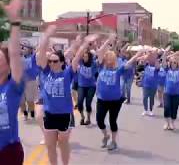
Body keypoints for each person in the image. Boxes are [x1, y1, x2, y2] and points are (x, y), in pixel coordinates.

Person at [35, 31, 93, 165]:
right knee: (50, 145)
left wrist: (84, 44)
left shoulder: (67, 73)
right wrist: (46, 37)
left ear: (62, 63)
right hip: (49, 114)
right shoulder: (46, 72)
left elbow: (77, 57)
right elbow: (42, 54)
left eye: (55, 61)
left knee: (63, 143)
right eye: (50, 61)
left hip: (64, 115)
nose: (51, 63)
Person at [93, 36, 143, 151]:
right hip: (102, 99)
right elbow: (100, 52)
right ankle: (106, 136)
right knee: (99, 121)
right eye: (107, 58)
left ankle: (114, 142)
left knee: (112, 121)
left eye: (111, 59)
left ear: (114, 60)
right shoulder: (101, 67)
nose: (109, 61)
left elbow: (129, 63)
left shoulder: (118, 69)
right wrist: (108, 41)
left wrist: (137, 55)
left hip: (115, 100)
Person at [0, 0, 26, 165]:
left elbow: (15, 54)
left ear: (8, 66)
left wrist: (14, 22)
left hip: (8, 152)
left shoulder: (12, 87)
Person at [163, 50, 179, 130]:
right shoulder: (167, 70)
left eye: (175, 62)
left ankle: (172, 123)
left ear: (177, 64)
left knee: (174, 108)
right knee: (167, 107)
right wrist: (165, 53)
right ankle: (167, 122)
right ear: (169, 63)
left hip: (177, 93)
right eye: (172, 62)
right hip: (167, 92)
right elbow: (163, 62)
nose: (173, 64)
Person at [74, 49, 97, 125]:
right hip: (81, 86)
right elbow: (76, 54)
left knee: (88, 103)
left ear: (89, 57)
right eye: (83, 56)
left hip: (91, 86)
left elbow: (92, 74)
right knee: (79, 102)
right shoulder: (80, 62)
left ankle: (88, 118)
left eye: (86, 57)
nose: (84, 58)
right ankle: (82, 117)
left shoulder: (93, 64)